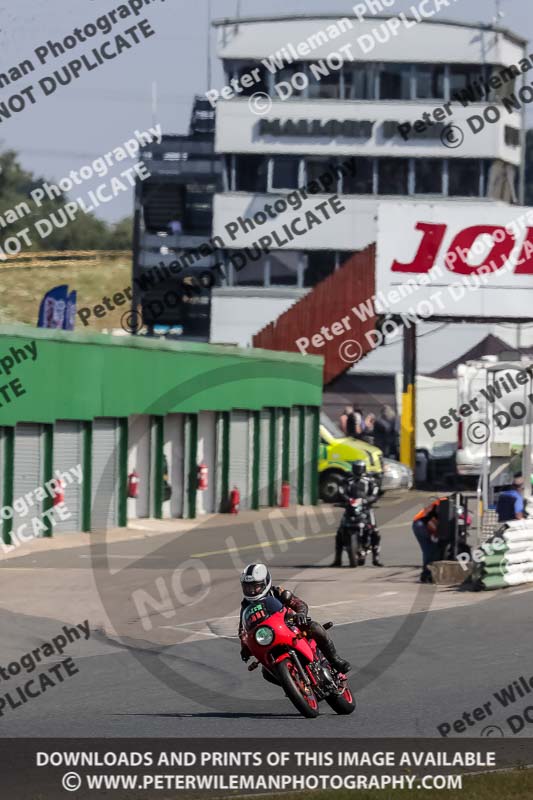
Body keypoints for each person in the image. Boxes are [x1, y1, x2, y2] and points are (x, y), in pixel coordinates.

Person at [238, 563, 351, 673]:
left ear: (265, 583)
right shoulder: (245, 606)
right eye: (248, 587)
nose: (252, 591)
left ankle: (335, 660)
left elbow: (299, 603)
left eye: (255, 586)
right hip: (268, 636)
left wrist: (301, 614)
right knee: (266, 673)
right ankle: (296, 688)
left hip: (291, 625)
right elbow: (242, 631)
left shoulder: (276, 592)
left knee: (315, 627)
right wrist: (245, 647)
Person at [332, 461, 383, 567]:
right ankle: (337, 559)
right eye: (356, 468)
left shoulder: (370, 481)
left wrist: (368, 500)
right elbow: (342, 492)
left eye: (360, 468)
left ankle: (376, 558)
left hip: (366, 508)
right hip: (351, 508)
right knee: (340, 532)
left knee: (375, 531)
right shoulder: (347, 480)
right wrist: (347, 500)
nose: (358, 471)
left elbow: (375, 493)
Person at [412, 496, 447, 583]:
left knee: (432, 549)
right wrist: (436, 535)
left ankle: (428, 573)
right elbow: (432, 521)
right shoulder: (443, 505)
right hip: (420, 525)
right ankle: (426, 574)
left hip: (422, 524)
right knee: (429, 550)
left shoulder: (445, 503)